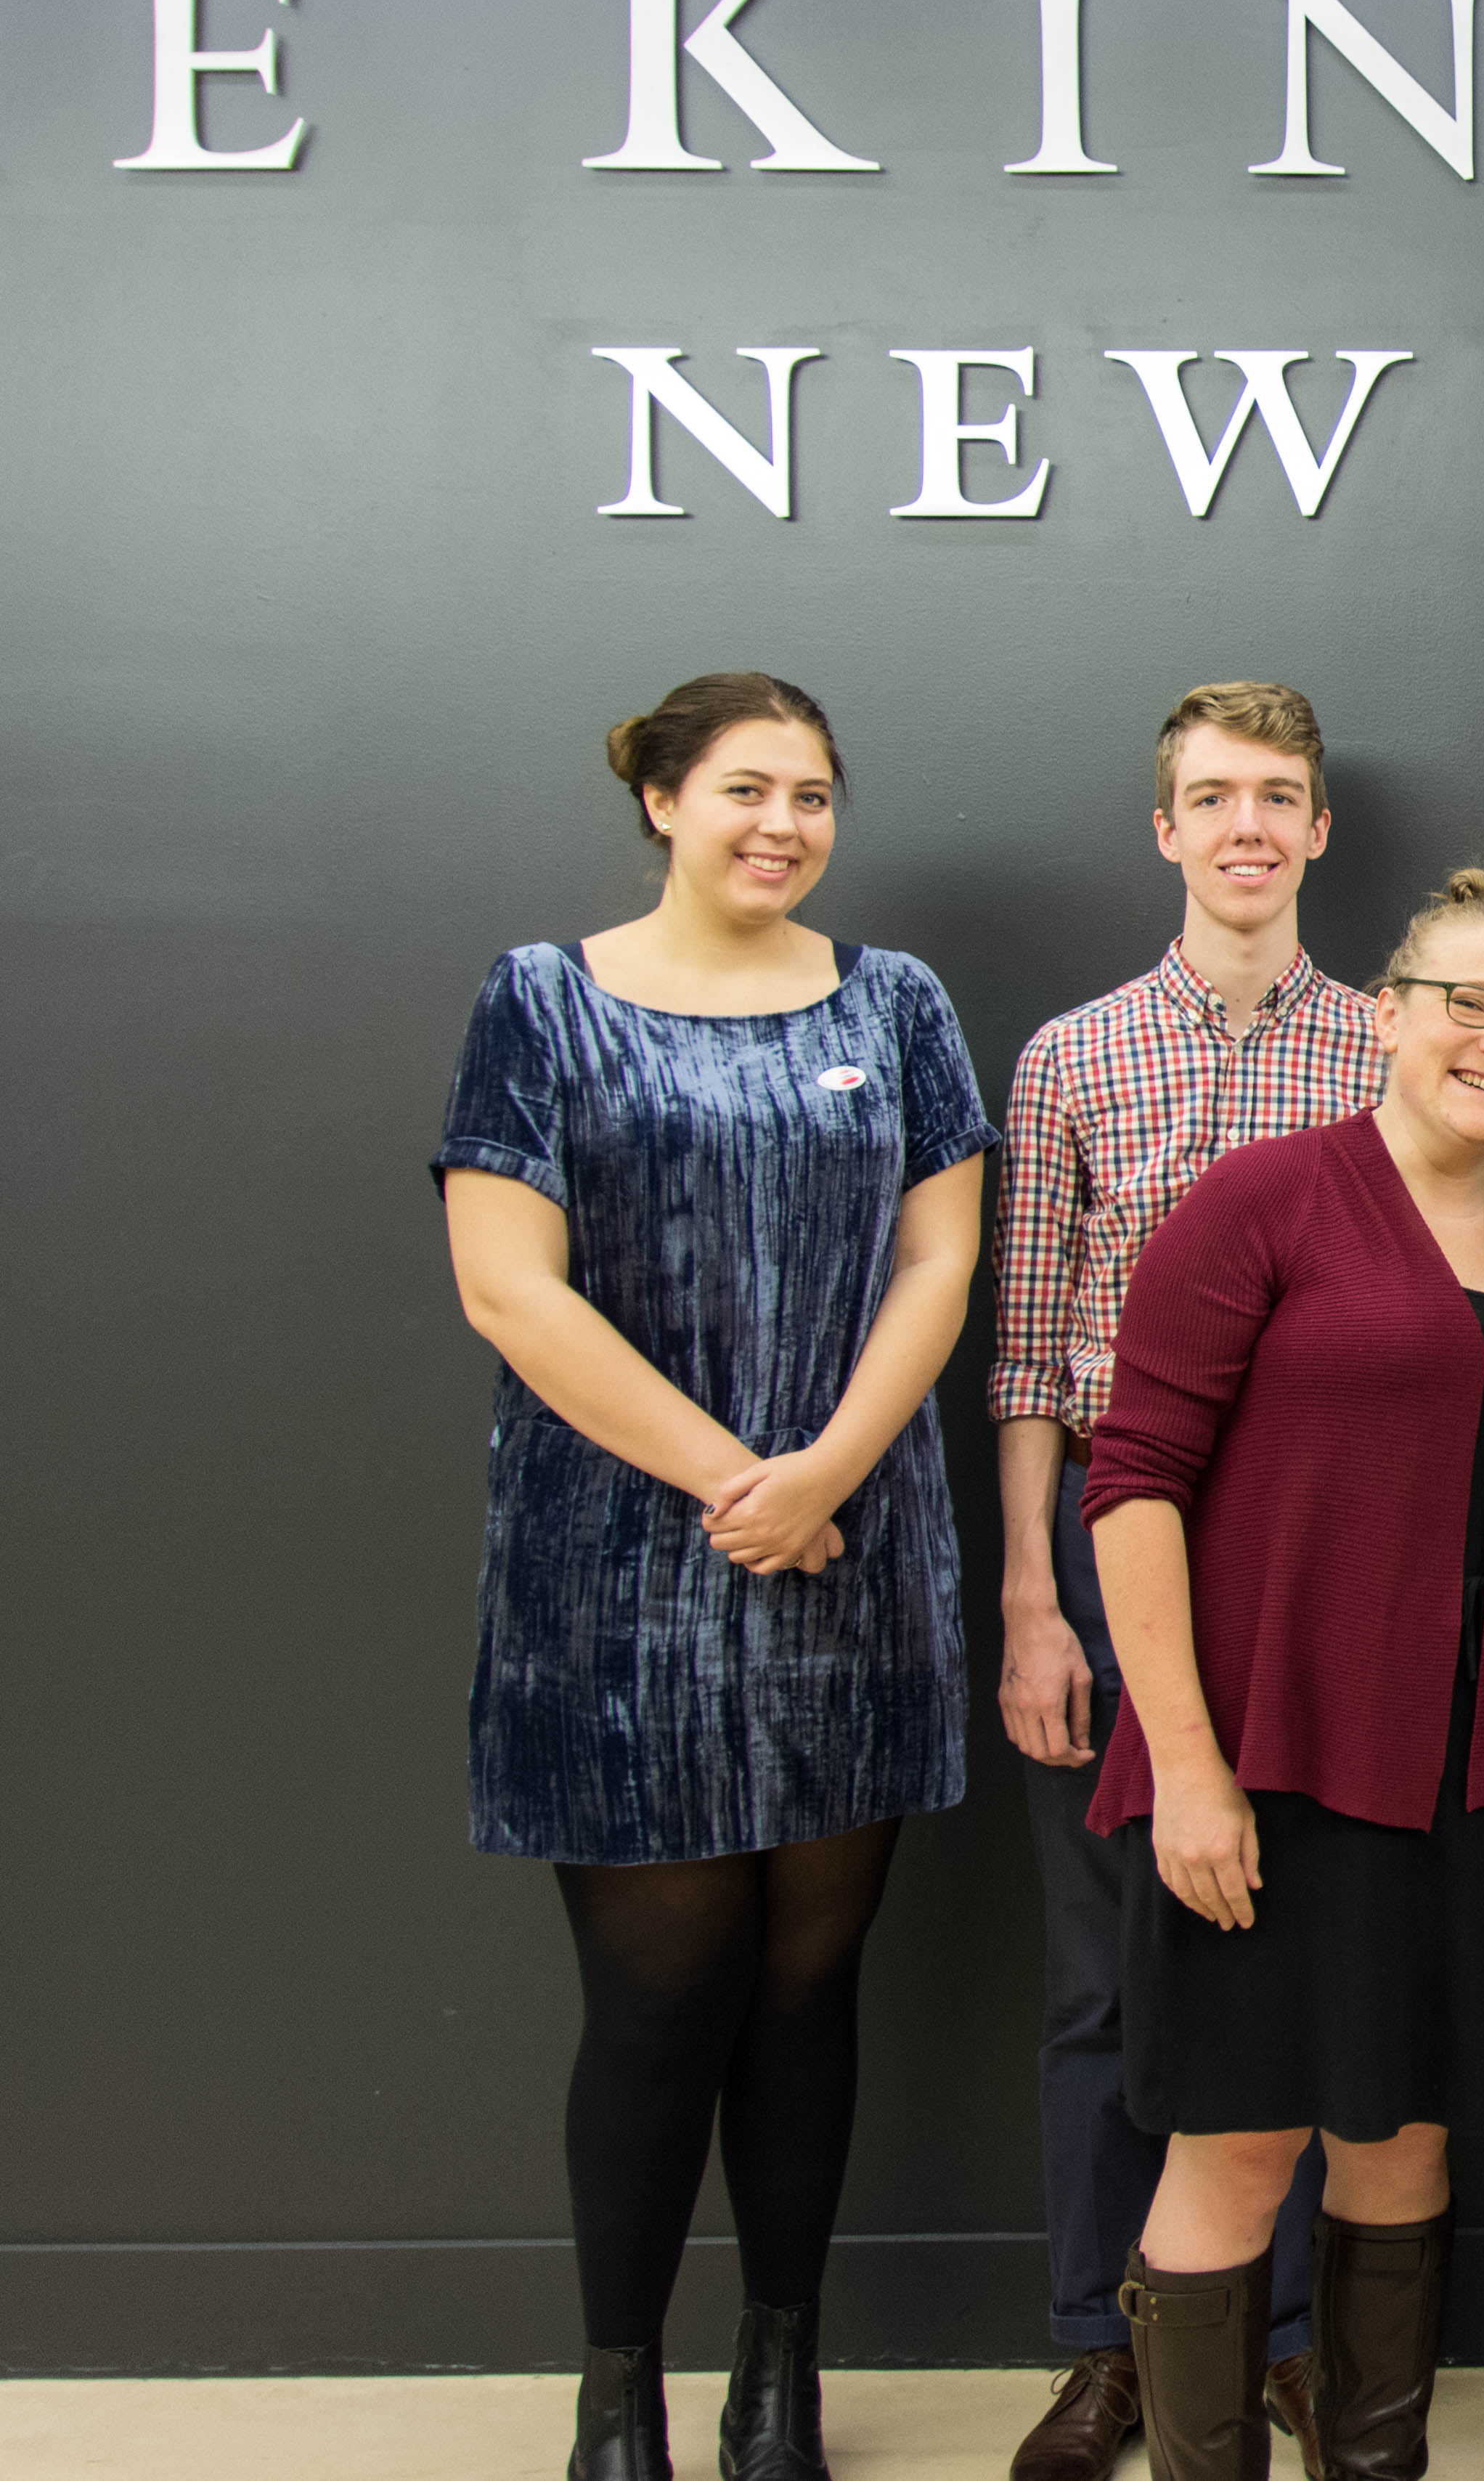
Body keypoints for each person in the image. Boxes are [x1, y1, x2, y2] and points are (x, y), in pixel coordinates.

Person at [436, 674, 994, 2481]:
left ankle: (779, 2377)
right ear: (661, 801)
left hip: (855, 1557)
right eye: (746, 789)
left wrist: (826, 1472)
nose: (783, 823)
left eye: (815, 794)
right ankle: (618, 2392)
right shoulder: (541, 1000)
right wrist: (734, 1483)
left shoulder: (894, 1002)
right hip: (619, 1582)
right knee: (658, 1999)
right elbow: (509, 1288)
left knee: (805, 1991)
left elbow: (939, 1259)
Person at [1078, 870, 1484, 2481]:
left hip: (1469, 1786)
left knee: (1406, 2145)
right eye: (1468, 1002)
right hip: (1267, 1775)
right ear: (1387, 1012)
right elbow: (1134, 1479)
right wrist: (1185, 1764)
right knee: (1238, 2152)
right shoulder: (1262, 1201)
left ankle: (1373, 2464)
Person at [990, 683, 1390, 2481]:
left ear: (1318, 833)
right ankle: (1108, 2341)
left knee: (1289, 1961)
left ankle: (1283, 2335)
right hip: (1110, 1532)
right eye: (1212, 799)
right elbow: (1019, 1356)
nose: (1246, 827)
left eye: (1278, 799)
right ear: (1164, 831)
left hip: (1312, 1551)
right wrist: (1028, 1599)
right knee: (1105, 1978)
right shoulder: (1070, 1056)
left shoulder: (1391, 1047)